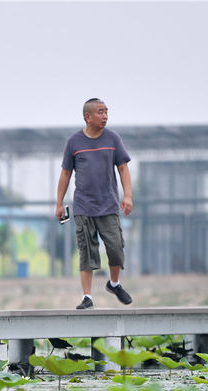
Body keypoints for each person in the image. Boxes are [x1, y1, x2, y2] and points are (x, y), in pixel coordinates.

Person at [55, 98, 134, 310]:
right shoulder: (74, 142)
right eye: (100, 112)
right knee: (87, 252)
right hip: (83, 207)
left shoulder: (113, 139)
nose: (105, 116)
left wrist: (127, 196)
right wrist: (59, 203)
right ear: (87, 116)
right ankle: (87, 297)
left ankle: (114, 284)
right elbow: (65, 173)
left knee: (116, 248)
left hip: (108, 205)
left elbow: (123, 168)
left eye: (107, 111)